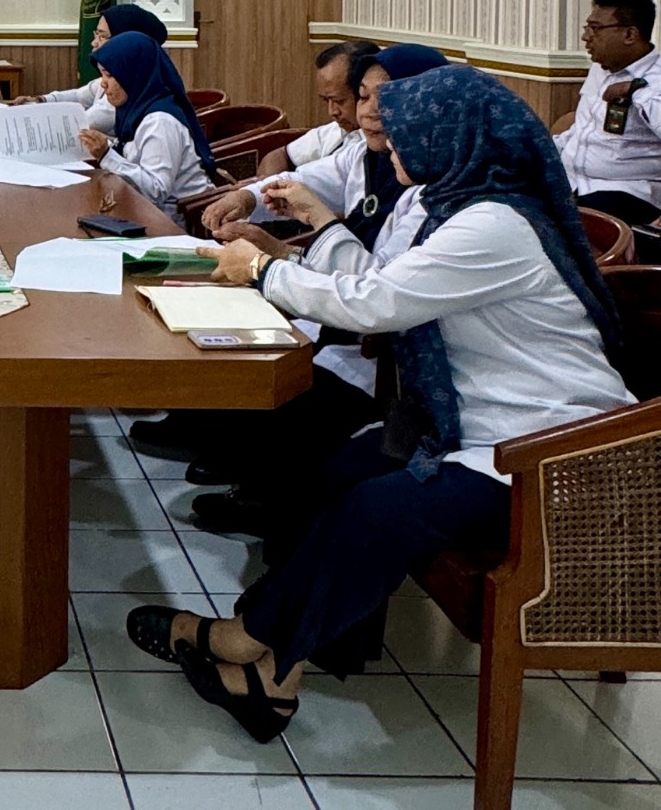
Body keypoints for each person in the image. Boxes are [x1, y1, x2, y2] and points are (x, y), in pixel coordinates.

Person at [126, 65, 632, 745]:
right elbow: (382, 283)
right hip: (474, 426)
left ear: (450, 137)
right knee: (335, 476)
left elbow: (376, 303)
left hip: (552, 452)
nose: (389, 141)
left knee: (374, 508)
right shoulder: (455, 203)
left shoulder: (495, 224)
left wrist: (265, 271)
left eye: (405, 131)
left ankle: (248, 644)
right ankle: (280, 660)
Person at [131, 43, 449, 468]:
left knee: (277, 423)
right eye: (365, 96)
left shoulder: (432, 191)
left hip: (377, 353)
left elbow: (376, 289)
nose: (367, 110)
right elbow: (301, 180)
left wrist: (279, 255)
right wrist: (247, 198)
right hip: (334, 309)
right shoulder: (363, 154)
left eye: (384, 99)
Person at [81, 31, 220, 214]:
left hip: (179, 220)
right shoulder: (135, 108)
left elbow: (156, 190)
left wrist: (107, 156)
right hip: (147, 210)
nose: (103, 85)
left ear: (132, 76)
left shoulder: (160, 121)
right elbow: (134, 152)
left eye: (109, 76)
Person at [556, 0, 661, 225]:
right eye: (587, 27)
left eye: (596, 28)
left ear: (630, 34)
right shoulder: (600, 69)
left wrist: (637, 91)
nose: (586, 37)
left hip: (626, 192)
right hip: (573, 182)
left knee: (568, 225)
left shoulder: (656, 79)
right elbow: (584, 129)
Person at [12, 3, 168, 124]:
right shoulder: (110, 79)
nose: (94, 43)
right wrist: (40, 100)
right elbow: (79, 96)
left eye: (102, 36)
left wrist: (29, 118)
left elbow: (83, 124)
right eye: (96, 34)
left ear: (126, 42)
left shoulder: (126, 88)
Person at [256, 39, 381, 175]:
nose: (332, 112)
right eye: (326, 100)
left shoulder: (378, 146)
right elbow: (276, 157)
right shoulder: (335, 131)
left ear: (363, 94)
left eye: (339, 101)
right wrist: (263, 186)